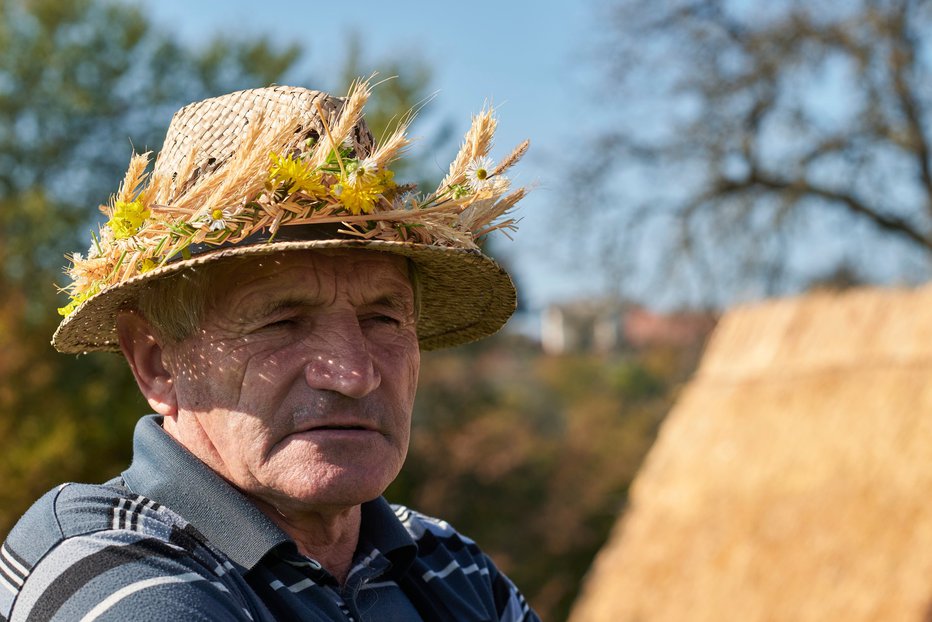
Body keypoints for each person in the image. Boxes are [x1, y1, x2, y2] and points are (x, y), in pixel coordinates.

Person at [0, 80, 538, 621]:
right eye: (282, 322)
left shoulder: (451, 565)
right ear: (156, 363)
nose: (353, 375)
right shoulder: (105, 568)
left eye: (383, 317)